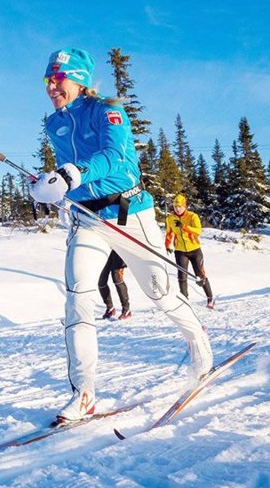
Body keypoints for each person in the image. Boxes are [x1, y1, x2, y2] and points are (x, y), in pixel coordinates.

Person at [29, 47, 213, 423]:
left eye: (59, 79)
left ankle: (199, 344)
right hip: (87, 220)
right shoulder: (54, 124)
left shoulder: (107, 111)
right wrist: (49, 184)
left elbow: (116, 157)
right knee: (77, 297)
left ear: (79, 79)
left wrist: (74, 173)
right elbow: (67, 171)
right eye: (48, 80)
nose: (52, 87)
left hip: (129, 213)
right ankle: (84, 394)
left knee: (161, 292)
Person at [164, 194, 215, 309]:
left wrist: (184, 227)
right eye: (175, 206)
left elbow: (198, 231)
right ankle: (184, 300)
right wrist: (167, 245)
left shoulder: (192, 216)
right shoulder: (170, 218)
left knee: (200, 276)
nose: (177, 209)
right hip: (180, 251)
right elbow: (169, 233)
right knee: (182, 276)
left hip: (195, 250)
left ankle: (210, 298)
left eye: (180, 206)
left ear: (185, 206)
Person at [98, 251, 131, 320]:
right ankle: (110, 308)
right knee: (101, 282)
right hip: (105, 250)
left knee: (117, 280)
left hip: (118, 252)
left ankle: (126, 310)